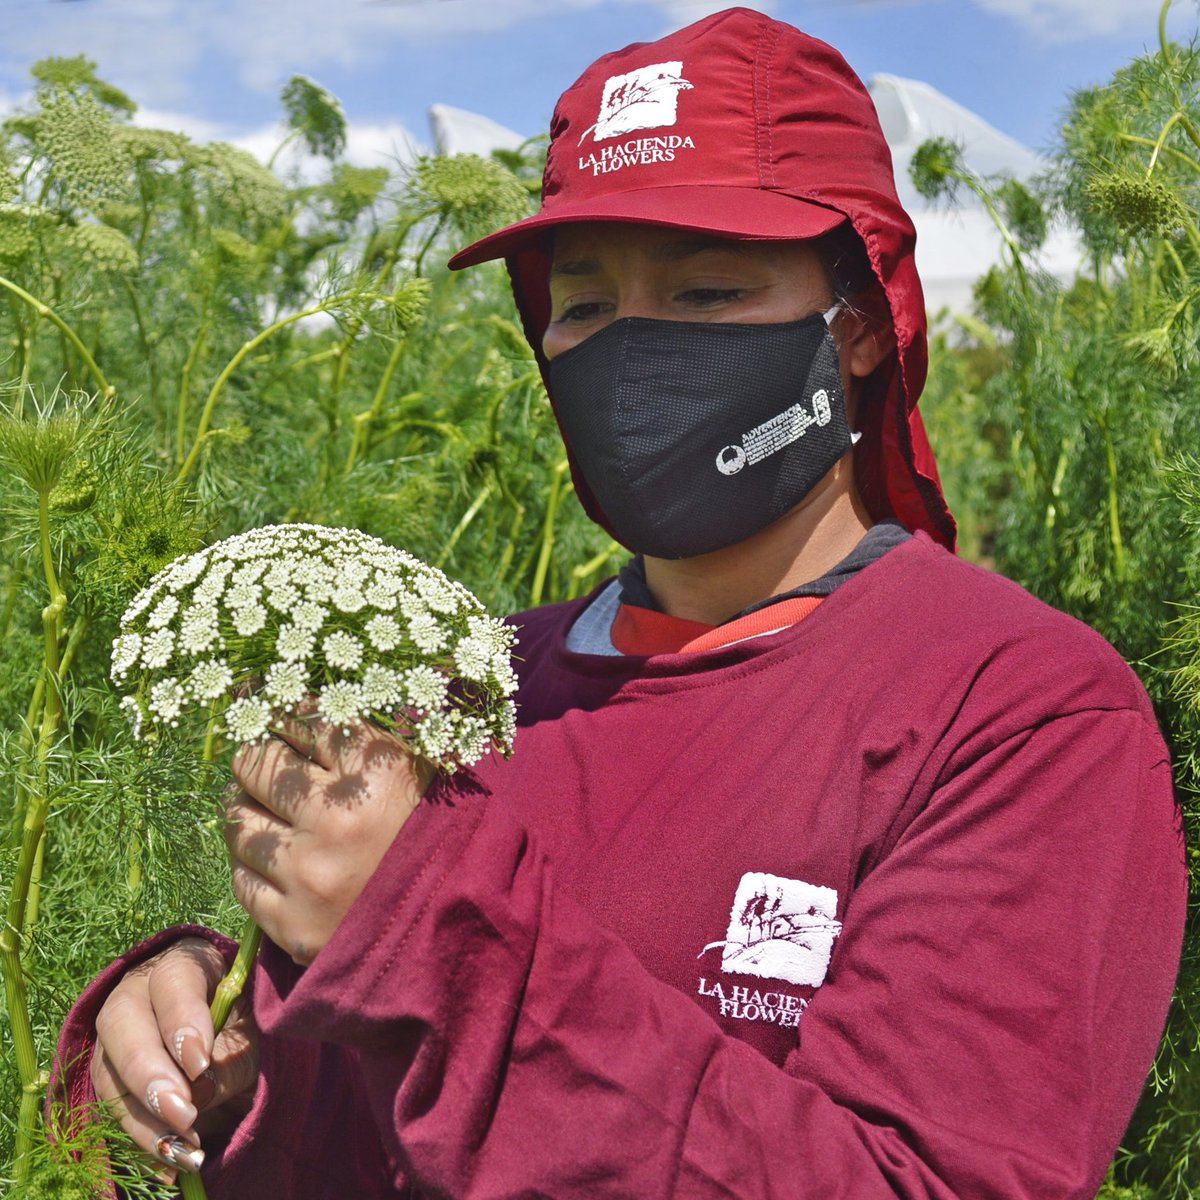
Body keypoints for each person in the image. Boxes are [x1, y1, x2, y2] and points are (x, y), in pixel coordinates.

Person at [55, 8, 1186, 1198]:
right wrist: (189, 1043)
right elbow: (345, 1125)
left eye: (705, 290)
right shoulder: (473, 681)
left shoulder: (1015, 716)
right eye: (583, 305)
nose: (631, 347)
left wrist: (428, 936)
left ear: (857, 323)